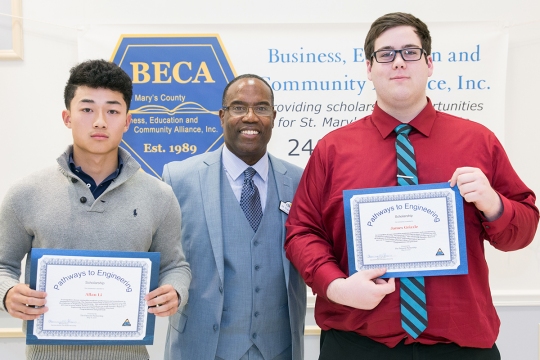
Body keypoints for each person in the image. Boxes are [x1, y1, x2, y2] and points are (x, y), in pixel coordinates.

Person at [285, 12, 538, 360]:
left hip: (461, 347)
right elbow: (301, 231)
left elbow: (522, 232)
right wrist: (337, 286)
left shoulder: (478, 142)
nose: (399, 62)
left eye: (410, 52)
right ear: (370, 68)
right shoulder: (333, 149)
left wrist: (494, 204)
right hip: (357, 345)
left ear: (430, 63)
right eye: (385, 54)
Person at [0, 59, 191, 360]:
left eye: (113, 111)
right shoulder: (26, 193)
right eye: (87, 109)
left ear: (127, 121)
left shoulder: (159, 196)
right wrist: (8, 293)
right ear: (67, 117)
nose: (100, 121)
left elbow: (175, 266)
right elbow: (2, 266)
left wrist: (175, 291)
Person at [162, 74, 306, 360]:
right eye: (239, 107)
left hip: (279, 349)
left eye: (262, 108)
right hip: (201, 348)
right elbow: (164, 259)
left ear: (274, 116)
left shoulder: (299, 180)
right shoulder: (179, 179)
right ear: (222, 116)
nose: (250, 117)